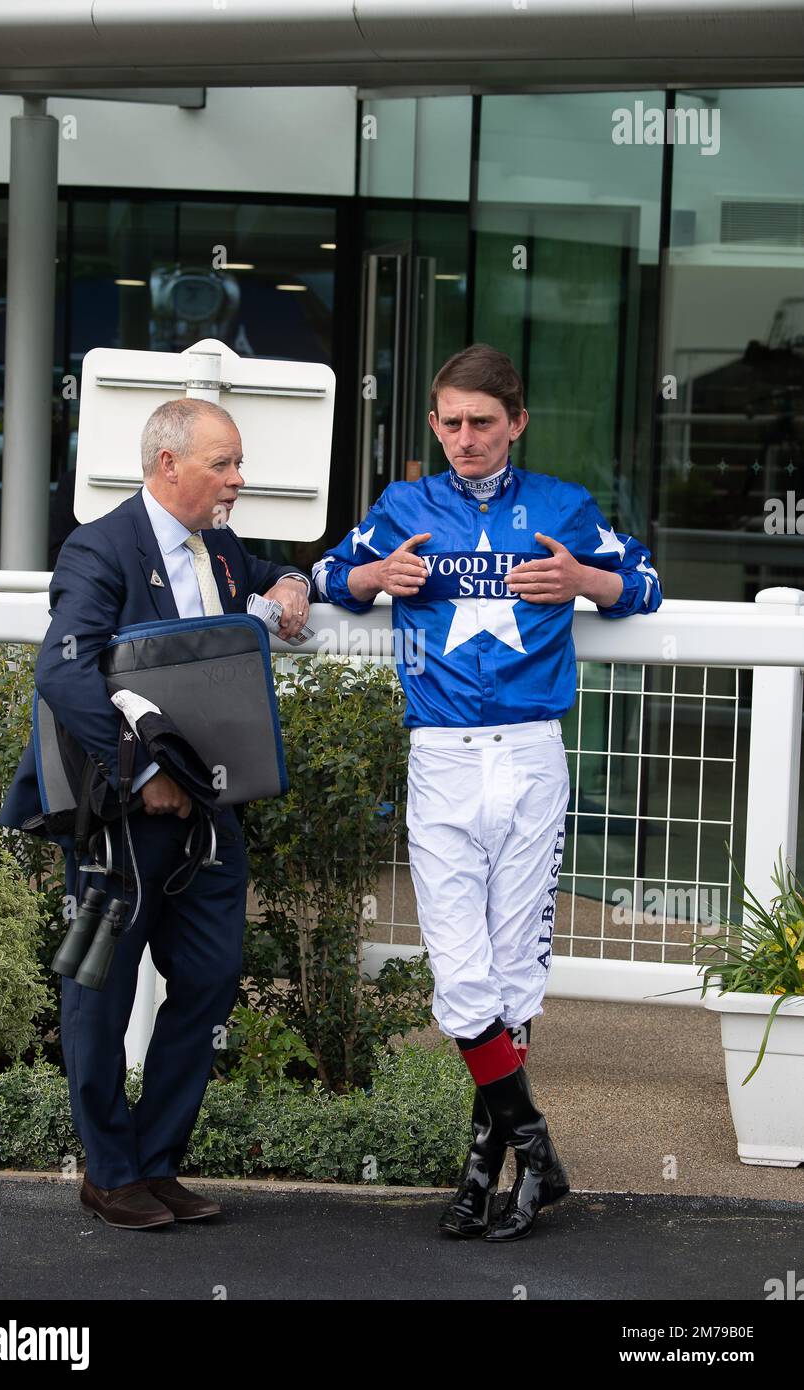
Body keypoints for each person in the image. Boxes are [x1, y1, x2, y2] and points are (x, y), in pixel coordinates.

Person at [312, 343, 662, 1241]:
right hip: (442, 757)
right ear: (433, 423)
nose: (466, 438)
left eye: (483, 423)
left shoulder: (561, 506)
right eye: (451, 422)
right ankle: (536, 1149)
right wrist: (372, 578)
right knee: (462, 975)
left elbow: (647, 583)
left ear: (516, 424)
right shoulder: (403, 507)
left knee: (515, 976)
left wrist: (585, 582)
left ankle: (485, 1174)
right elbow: (324, 580)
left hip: (533, 754)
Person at [0, 398, 311, 1231]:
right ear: (168, 465)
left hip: (209, 818)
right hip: (114, 826)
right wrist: (141, 777)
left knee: (209, 980)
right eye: (223, 464)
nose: (238, 479)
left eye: (238, 463)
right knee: (94, 991)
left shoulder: (222, 546)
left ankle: (155, 1160)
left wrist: (291, 581)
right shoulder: (98, 549)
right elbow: (63, 675)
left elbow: (274, 570)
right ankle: (108, 1173)